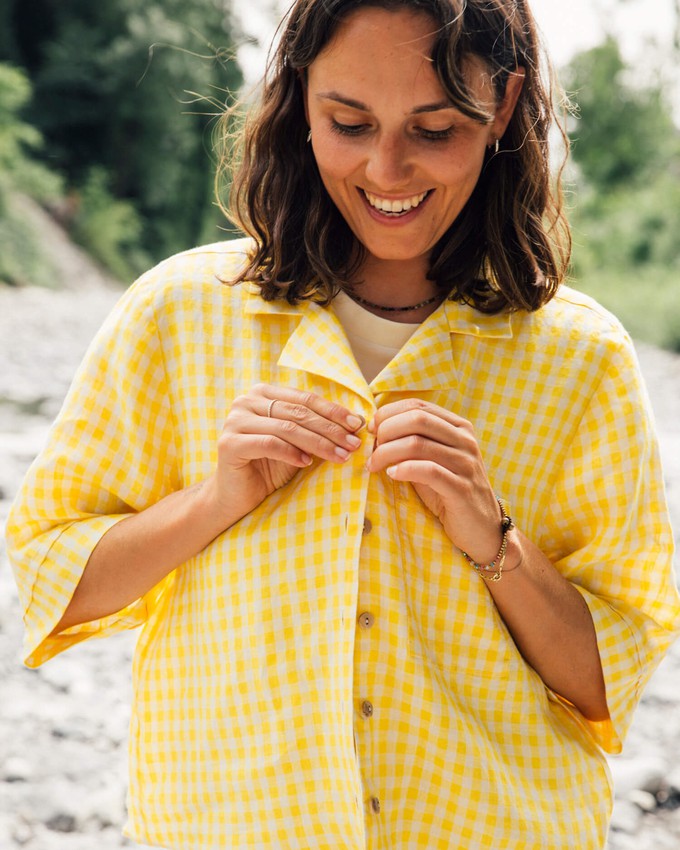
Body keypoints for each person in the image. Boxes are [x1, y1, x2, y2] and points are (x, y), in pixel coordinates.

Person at [7, 0, 680, 847]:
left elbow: (605, 684)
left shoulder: (583, 360)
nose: (387, 170)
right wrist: (217, 498)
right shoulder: (177, 316)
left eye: (434, 130)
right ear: (297, 96)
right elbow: (50, 579)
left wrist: (492, 535)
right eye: (349, 122)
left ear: (502, 107)